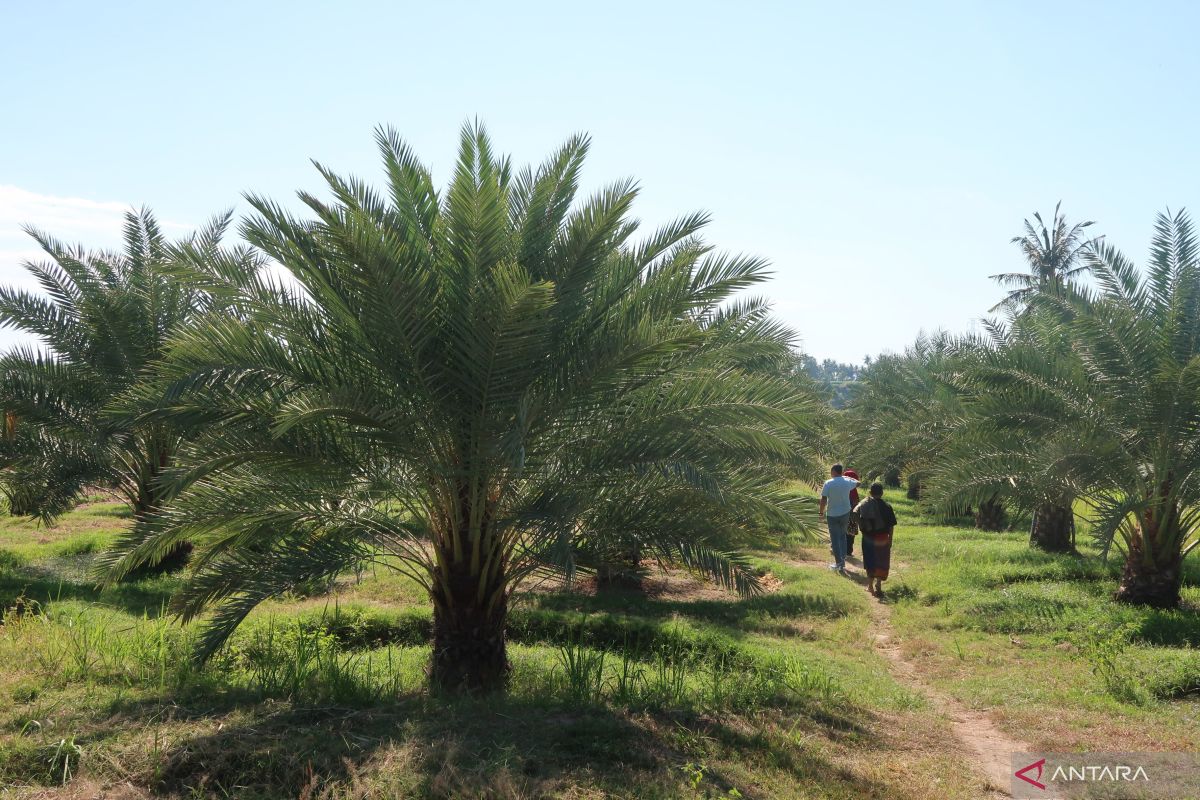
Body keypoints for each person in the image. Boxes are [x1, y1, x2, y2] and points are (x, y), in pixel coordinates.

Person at [855, 482, 898, 596]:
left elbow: (855, 515)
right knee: (881, 560)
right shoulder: (887, 506)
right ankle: (878, 583)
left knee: (869, 559)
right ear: (882, 493)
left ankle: (870, 586)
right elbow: (891, 525)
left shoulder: (864, 504)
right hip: (883, 537)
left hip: (868, 537)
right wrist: (890, 539)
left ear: (870, 492)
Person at [819, 463, 859, 573]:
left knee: (835, 538)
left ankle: (839, 563)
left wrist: (821, 512)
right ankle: (842, 561)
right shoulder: (847, 482)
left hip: (832, 514)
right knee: (842, 536)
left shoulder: (828, 483)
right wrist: (846, 477)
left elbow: (823, 499)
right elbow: (858, 483)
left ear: (833, 471)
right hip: (845, 512)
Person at [843, 469, 861, 557]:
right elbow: (856, 504)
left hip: (842, 514)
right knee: (850, 533)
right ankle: (848, 550)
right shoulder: (854, 492)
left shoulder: (842, 489)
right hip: (852, 516)